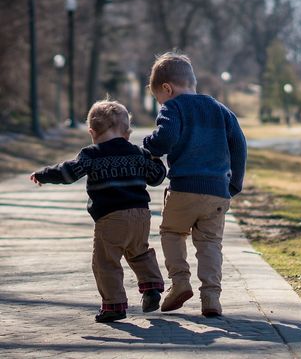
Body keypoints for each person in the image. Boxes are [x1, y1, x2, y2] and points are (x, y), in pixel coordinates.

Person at [30, 100, 166, 323]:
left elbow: (68, 173)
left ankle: (114, 305)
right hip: (141, 215)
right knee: (139, 252)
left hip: (111, 218)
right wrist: (155, 158)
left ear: (92, 132)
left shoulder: (91, 155)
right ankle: (151, 288)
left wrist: (44, 175)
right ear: (127, 133)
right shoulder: (138, 153)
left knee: (105, 262)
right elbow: (157, 177)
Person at [144, 52, 247, 317]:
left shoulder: (173, 107)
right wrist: (234, 183)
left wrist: (148, 145)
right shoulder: (219, 109)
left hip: (184, 188)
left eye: (159, 99)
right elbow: (239, 145)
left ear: (167, 88)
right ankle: (211, 297)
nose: (161, 103)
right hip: (217, 191)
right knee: (210, 243)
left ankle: (179, 282)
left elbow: (165, 138)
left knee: (172, 232)